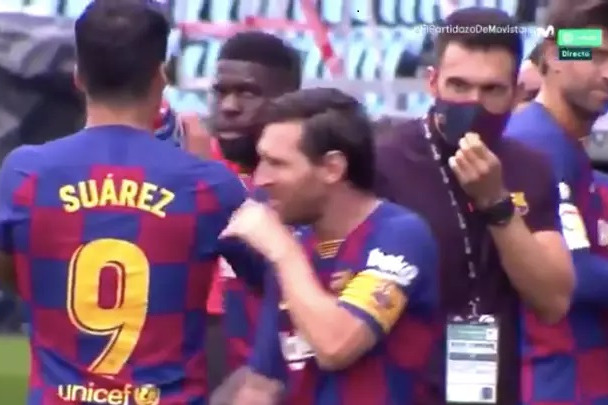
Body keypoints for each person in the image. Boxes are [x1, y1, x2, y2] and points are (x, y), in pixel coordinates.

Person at [0, 1, 266, 403]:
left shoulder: (25, 173)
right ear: (161, 76)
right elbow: (270, 279)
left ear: (78, 76)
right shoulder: (210, 186)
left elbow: (14, 271)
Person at [374, 7, 575, 404]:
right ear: (433, 82)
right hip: (400, 388)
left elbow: (552, 301)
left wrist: (496, 203)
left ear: (516, 92)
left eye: (491, 90)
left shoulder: (529, 166)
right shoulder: (384, 160)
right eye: (458, 86)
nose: (473, 102)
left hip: (489, 386)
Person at [216, 87, 439, 405]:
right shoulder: (296, 244)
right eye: (261, 161)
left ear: (332, 168)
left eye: (277, 163)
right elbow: (264, 383)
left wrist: (282, 251)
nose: (261, 179)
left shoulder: (400, 235)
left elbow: (336, 346)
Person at [180, 31, 303, 386]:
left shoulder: (311, 179)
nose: (229, 106)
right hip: (202, 339)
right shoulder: (186, 163)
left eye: (248, 93)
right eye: (221, 92)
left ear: (289, 100)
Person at [505, 0, 608, 402]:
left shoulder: (562, 146)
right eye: (594, 55)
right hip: (550, 380)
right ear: (553, 54)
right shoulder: (534, 144)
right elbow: (567, 274)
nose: (607, 72)